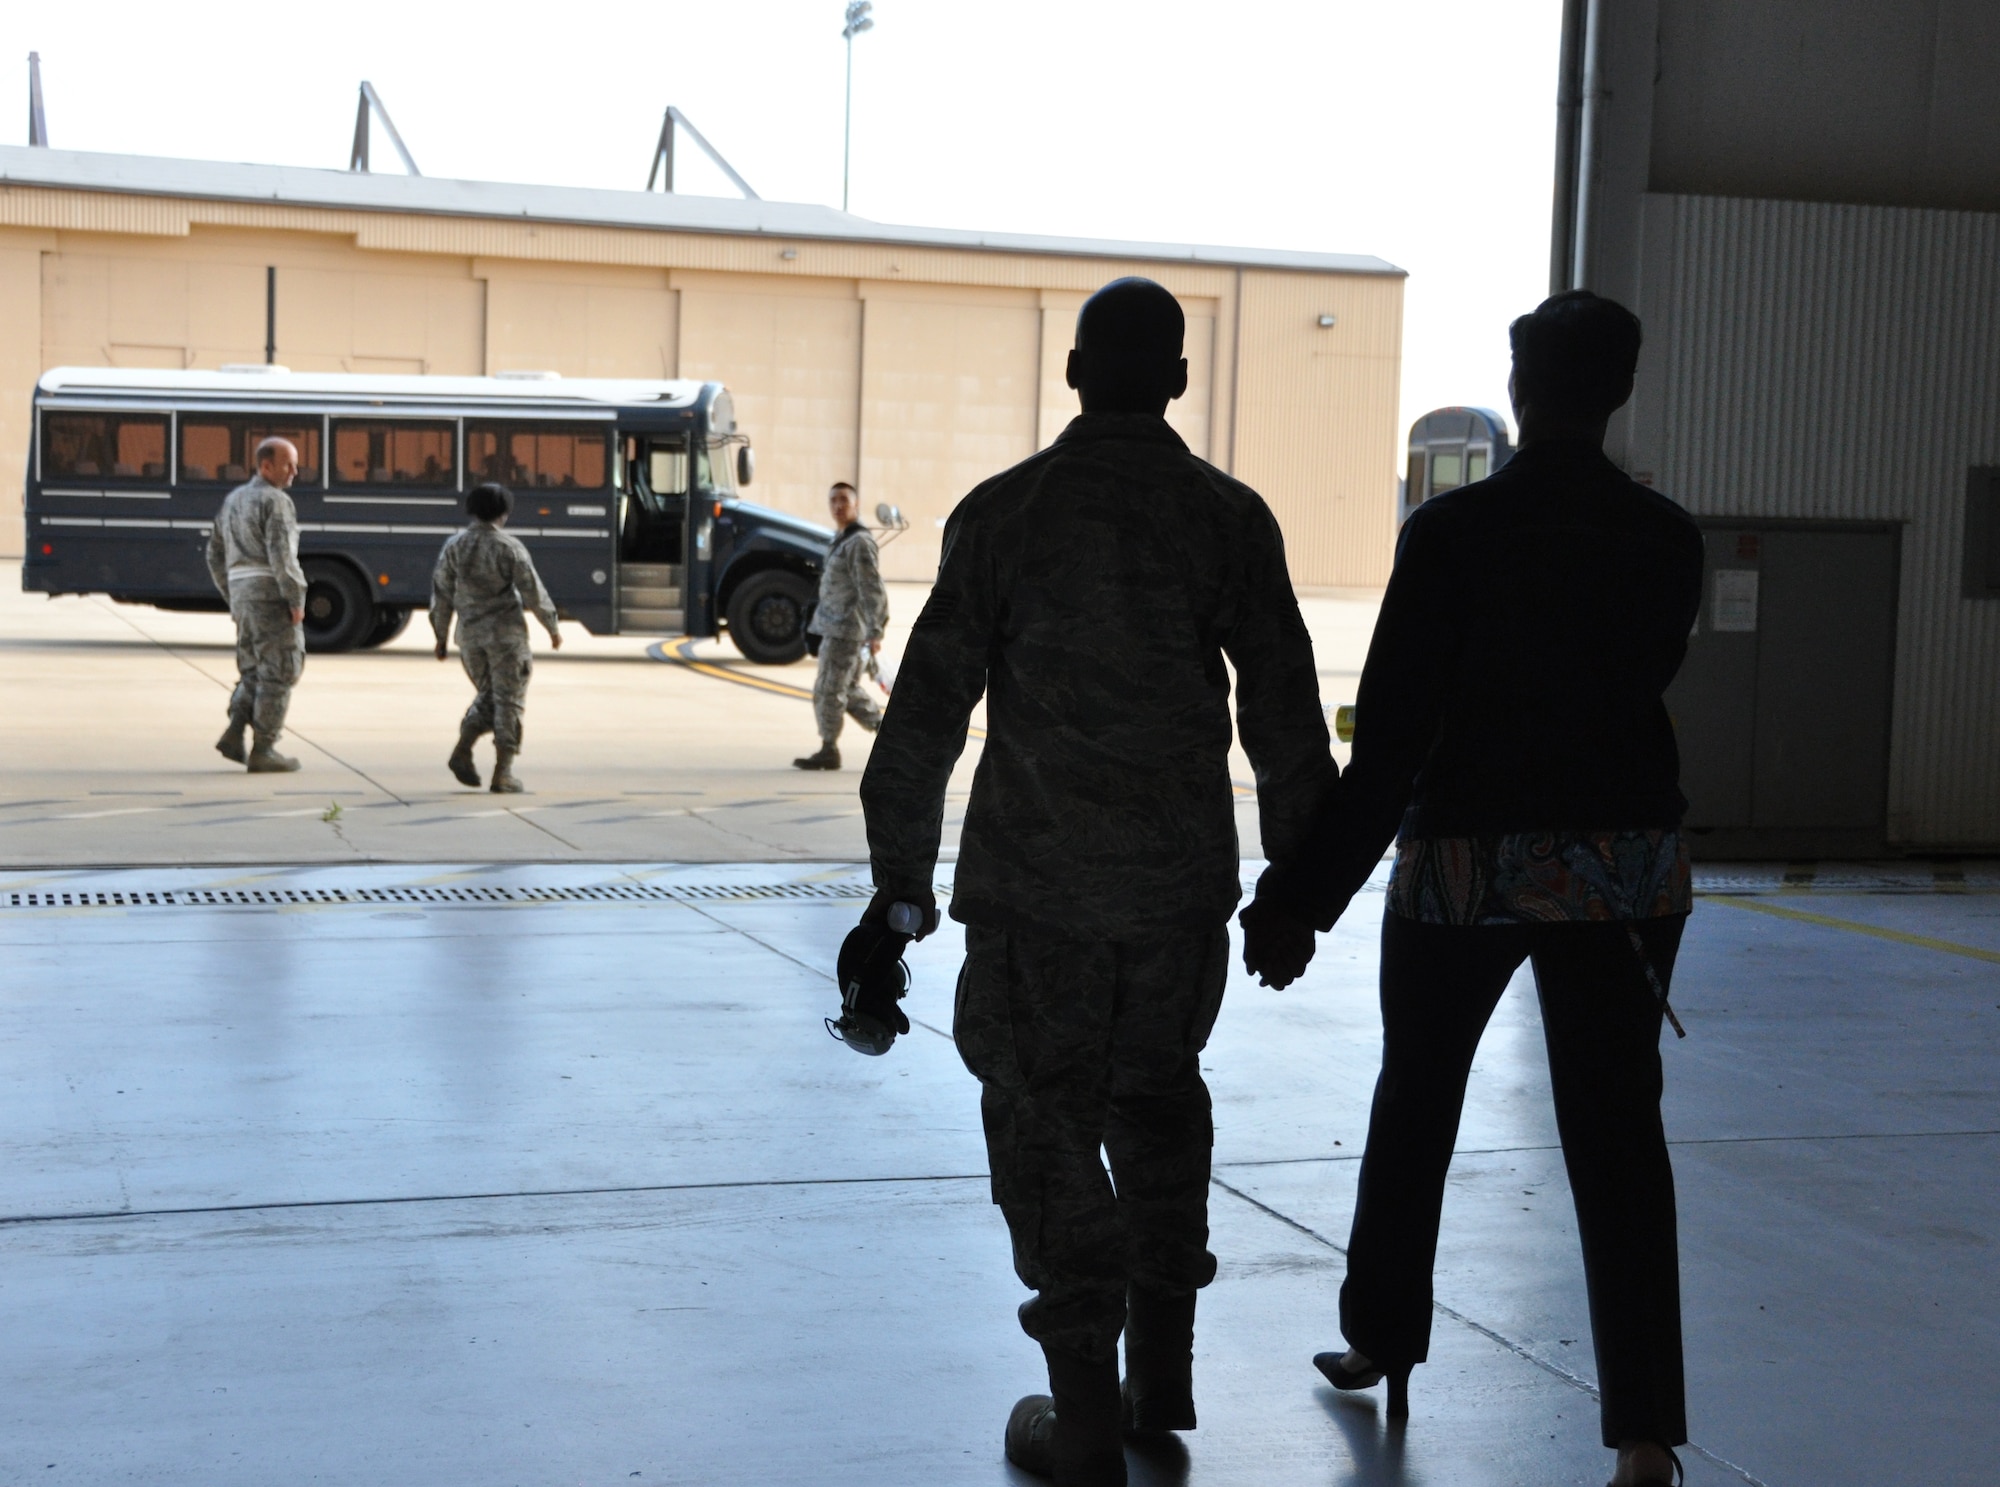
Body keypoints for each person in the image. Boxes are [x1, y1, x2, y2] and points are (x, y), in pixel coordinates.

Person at [854, 277, 1334, 1486]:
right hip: (1178, 906)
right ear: (1174, 381)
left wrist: (896, 897)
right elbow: (1284, 716)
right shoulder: (1227, 519)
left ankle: (1081, 1419)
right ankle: (1156, 1377)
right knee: (1159, 1100)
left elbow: (920, 723)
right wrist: (1294, 893)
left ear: (1072, 373)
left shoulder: (1006, 515)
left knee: (1043, 1122)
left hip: (1039, 905)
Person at [1240, 290, 1704, 1487]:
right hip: (1623, 867)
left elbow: (1392, 740)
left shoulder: (1451, 536)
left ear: (1517, 382)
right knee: (1616, 1136)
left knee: (1417, 1103)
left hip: (1468, 862)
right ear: (1618, 392)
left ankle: (1383, 1341)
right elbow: (1636, 680)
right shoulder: (1666, 536)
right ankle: (1645, 1432)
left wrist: (1298, 896)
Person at [430, 481, 563, 794]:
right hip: (506, 639)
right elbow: (533, 590)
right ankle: (503, 773)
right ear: (504, 512)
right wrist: (552, 627)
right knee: (509, 702)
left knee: (490, 696)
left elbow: (441, 593)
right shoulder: (509, 548)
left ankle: (463, 748)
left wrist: (441, 636)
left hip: (470, 640)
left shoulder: (454, 546)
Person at [205, 435, 308, 773]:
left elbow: (214, 553)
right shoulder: (275, 501)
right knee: (280, 670)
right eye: (288, 464)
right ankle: (265, 747)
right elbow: (282, 555)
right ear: (266, 466)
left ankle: (236, 730)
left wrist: (233, 593)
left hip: (243, 596)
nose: (295, 470)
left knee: (252, 669)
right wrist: (294, 597)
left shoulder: (233, 500)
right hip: (270, 596)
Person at [793, 482, 887, 770]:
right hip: (834, 626)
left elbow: (871, 588)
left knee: (829, 690)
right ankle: (892, 735)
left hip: (847, 629)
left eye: (844, 500)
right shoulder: (843, 539)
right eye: (833, 500)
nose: (838, 506)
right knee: (846, 689)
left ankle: (829, 748)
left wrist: (875, 630)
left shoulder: (858, 542)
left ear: (856, 504)